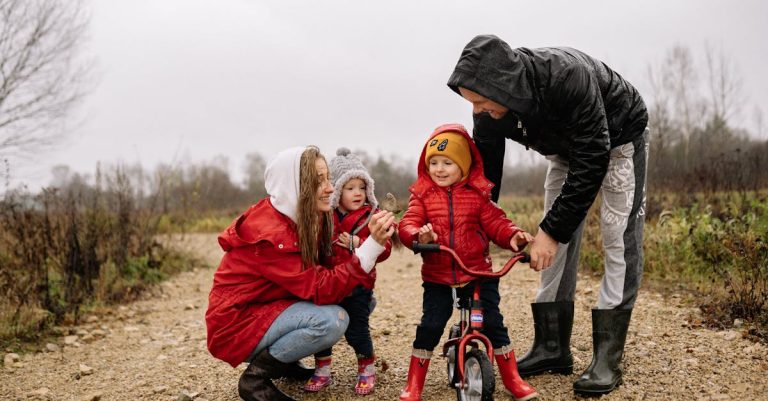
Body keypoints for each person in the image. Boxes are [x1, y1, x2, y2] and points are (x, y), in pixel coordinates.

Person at [447, 34, 650, 395]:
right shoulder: (488, 109)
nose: (475, 111)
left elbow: (593, 157)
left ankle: (607, 357)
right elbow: (487, 180)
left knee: (616, 236)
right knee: (548, 245)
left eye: (479, 102)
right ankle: (552, 347)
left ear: (504, 85)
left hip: (618, 136)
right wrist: (476, 226)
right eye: (470, 103)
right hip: (565, 149)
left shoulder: (566, 77)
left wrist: (552, 231)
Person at [205, 146, 395, 401]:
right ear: (295, 185)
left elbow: (318, 275)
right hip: (237, 326)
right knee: (333, 319)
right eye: (319, 181)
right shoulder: (273, 236)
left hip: (265, 308)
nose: (330, 187)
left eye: (328, 177)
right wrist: (370, 246)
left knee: (360, 302)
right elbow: (321, 289)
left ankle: (285, 363)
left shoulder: (299, 217)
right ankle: (255, 380)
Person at [397, 123, 538, 401]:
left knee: (493, 323)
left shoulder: (478, 197)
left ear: (463, 165)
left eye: (447, 162)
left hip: (477, 274)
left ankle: (512, 379)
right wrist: (417, 234)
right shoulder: (423, 198)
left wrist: (513, 236)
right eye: (433, 162)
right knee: (431, 325)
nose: (439, 169)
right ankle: (414, 384)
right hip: (438, 275)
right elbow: (408, 224)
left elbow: (497, 223)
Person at [303, 147, 392, 395]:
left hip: (358, 285)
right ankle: (322, 369)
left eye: (362, 188)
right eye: (350, 188)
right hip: (330, 282)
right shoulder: (326, 217)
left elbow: (383, 252)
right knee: (323, 332)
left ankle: (367, 368)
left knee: (357, 329)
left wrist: (359, 244)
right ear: (337, 190)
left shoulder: (370, 217)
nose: (358, 193)